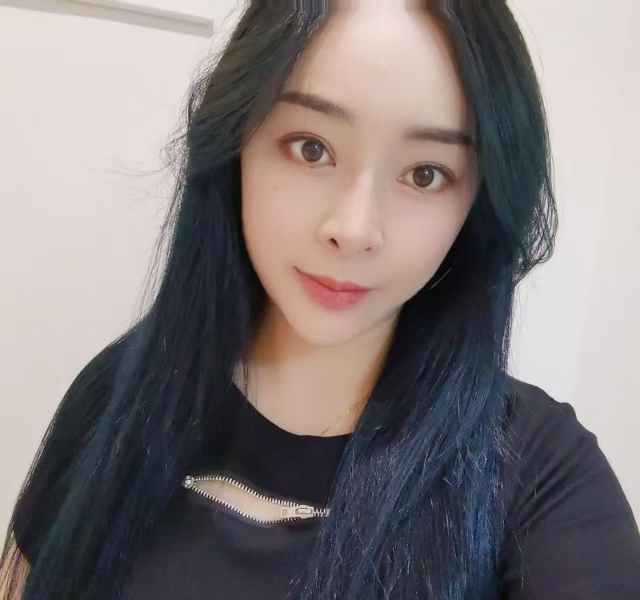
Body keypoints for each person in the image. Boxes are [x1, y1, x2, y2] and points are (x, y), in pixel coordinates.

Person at [2, 1, 639, 599]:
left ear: (479, 201)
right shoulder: (118, 395)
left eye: (425, 174)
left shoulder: (539, 476)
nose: (354, 229)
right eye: (312, 148)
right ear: (237, 144)